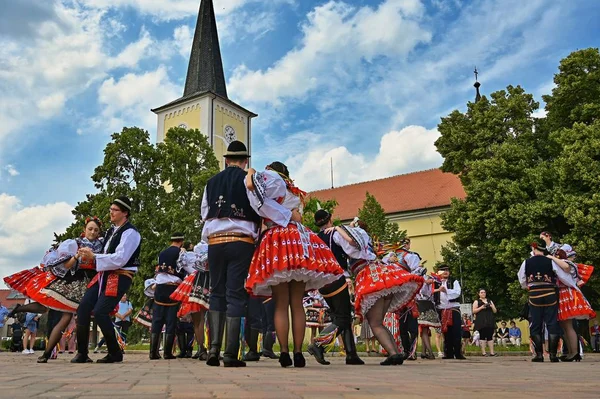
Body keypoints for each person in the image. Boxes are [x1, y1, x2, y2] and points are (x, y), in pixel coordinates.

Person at [245, 162, 344, 367]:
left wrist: (251, 172)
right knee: (297, 303)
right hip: (299, 241)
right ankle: (298, 353)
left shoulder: (272, 181)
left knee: (281, 303)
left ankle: (283, 352)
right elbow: (296, 215)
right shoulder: (294, 192)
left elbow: (255, 190)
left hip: (279, 240)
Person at [312, 220, 423, 365]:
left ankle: (393, 354)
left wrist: (338, 229)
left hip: (370, 277)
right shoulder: (366, 237)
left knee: (375, 323)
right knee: (378, 323)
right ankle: (394, 353)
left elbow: (352, 242)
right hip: (384, 276)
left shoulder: (354, 236)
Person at [3, 217, 104, 363]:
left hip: (85, 283)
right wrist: (77, 256)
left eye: (96, 230)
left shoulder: (100, 246)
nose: (93, 232)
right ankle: (48, 353)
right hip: (71, 282)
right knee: (59, 314)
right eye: (90, 229)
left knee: (53, 310)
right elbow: (66, 266)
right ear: (84, 230)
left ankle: (49, 351)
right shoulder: (74, 243)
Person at [200, 141, 265, 368]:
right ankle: (230, 354)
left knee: (216, 292)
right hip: (241, 240)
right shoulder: (249, 179)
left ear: (226, 160)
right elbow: (260, 208)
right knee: (235, 294)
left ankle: (213, 350)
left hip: (215, 242)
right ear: (245, 161)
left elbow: (204, 213)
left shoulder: (211, 183)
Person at [72, 196, 141, 364]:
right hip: (104, 274)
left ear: (125, 213)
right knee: (83, 309)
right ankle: (82, 353)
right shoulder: (111, 231)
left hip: (120, 275)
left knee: (101, 312)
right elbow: (104, 252)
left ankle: (115, 352)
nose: (110, 212)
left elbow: (120, 258)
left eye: (114, 210)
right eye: (110, 209)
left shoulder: (130, 232)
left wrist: (94, 256)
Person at [307, 208, 364, 366]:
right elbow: (352, 246)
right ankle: (318, 344)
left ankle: (351, 354)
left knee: (339, 316)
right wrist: (342, 228)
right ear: (330, 219)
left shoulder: (315, 237)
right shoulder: (335, 234)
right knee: (344, 317)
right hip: (337, 277)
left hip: (322, 281)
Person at [517, 238, 579, 362]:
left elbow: (522, 280)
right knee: (552, 323)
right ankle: (553, 355)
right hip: (550, 293)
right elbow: (561, 275)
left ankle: (539, 355)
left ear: (534, 249)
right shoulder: (551, 261)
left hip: (535, 294)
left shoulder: (526, 262)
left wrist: (529, 285)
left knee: (536, 324)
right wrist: (574, 286)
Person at [540, 233, 596, 362]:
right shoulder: (562, 263)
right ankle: (571, 351)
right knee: (565, 326)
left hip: (567, 294)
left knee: (568, 326)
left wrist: (551, 257)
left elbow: (565, 267)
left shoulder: (568, 264)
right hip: (562, 294)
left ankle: (574, 352)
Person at [150, 233, 195, 360]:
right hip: (173, 287)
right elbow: (189, 268)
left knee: (157, 319)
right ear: (181, 241)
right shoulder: (181, 253)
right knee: (171, 320)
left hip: (159, 287)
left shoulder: (162, 253)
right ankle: (167, 353)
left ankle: (153, 352)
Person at [170, 241, 210, 360]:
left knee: (198, 320)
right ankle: (211, 349)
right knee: (211, 318)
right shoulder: (209, 252)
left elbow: (180, 267)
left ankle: (201, 349)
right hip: (209, 281)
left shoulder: (187, 256)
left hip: (193, 282)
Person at [394, 238, 423, 360]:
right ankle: (406, 351)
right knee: (402, 327)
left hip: (409, 293)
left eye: (406, 243)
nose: (405, 245)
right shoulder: (392, 255)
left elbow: (417, 271)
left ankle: (412, 351)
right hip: (399, 293)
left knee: (413, 328)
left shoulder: (411, 256)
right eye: (403, 243)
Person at [437, 265, 466, 360]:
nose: (445, 272)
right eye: (443, 270)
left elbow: (457, 292)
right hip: (442, 309)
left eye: (447, 270)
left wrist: (447, 291)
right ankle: (448, 353)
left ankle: (458, 352)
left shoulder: (454, 281)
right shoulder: (436, 282)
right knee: (446, 332)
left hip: (453, 309)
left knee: (456, 332)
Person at [472, 288, 497, 356]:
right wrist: (481, 307)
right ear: (479, 294)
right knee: (482, 336)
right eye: (481, 292)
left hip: (489, 320)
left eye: (484, 292)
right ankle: (484, 352)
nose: (483, 294)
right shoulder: (477, 301)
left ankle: (492, 352)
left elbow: (495, 311)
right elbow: (474, 311)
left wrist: (491, 306)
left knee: (490, 336)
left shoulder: (489, 301)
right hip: (481, 321)